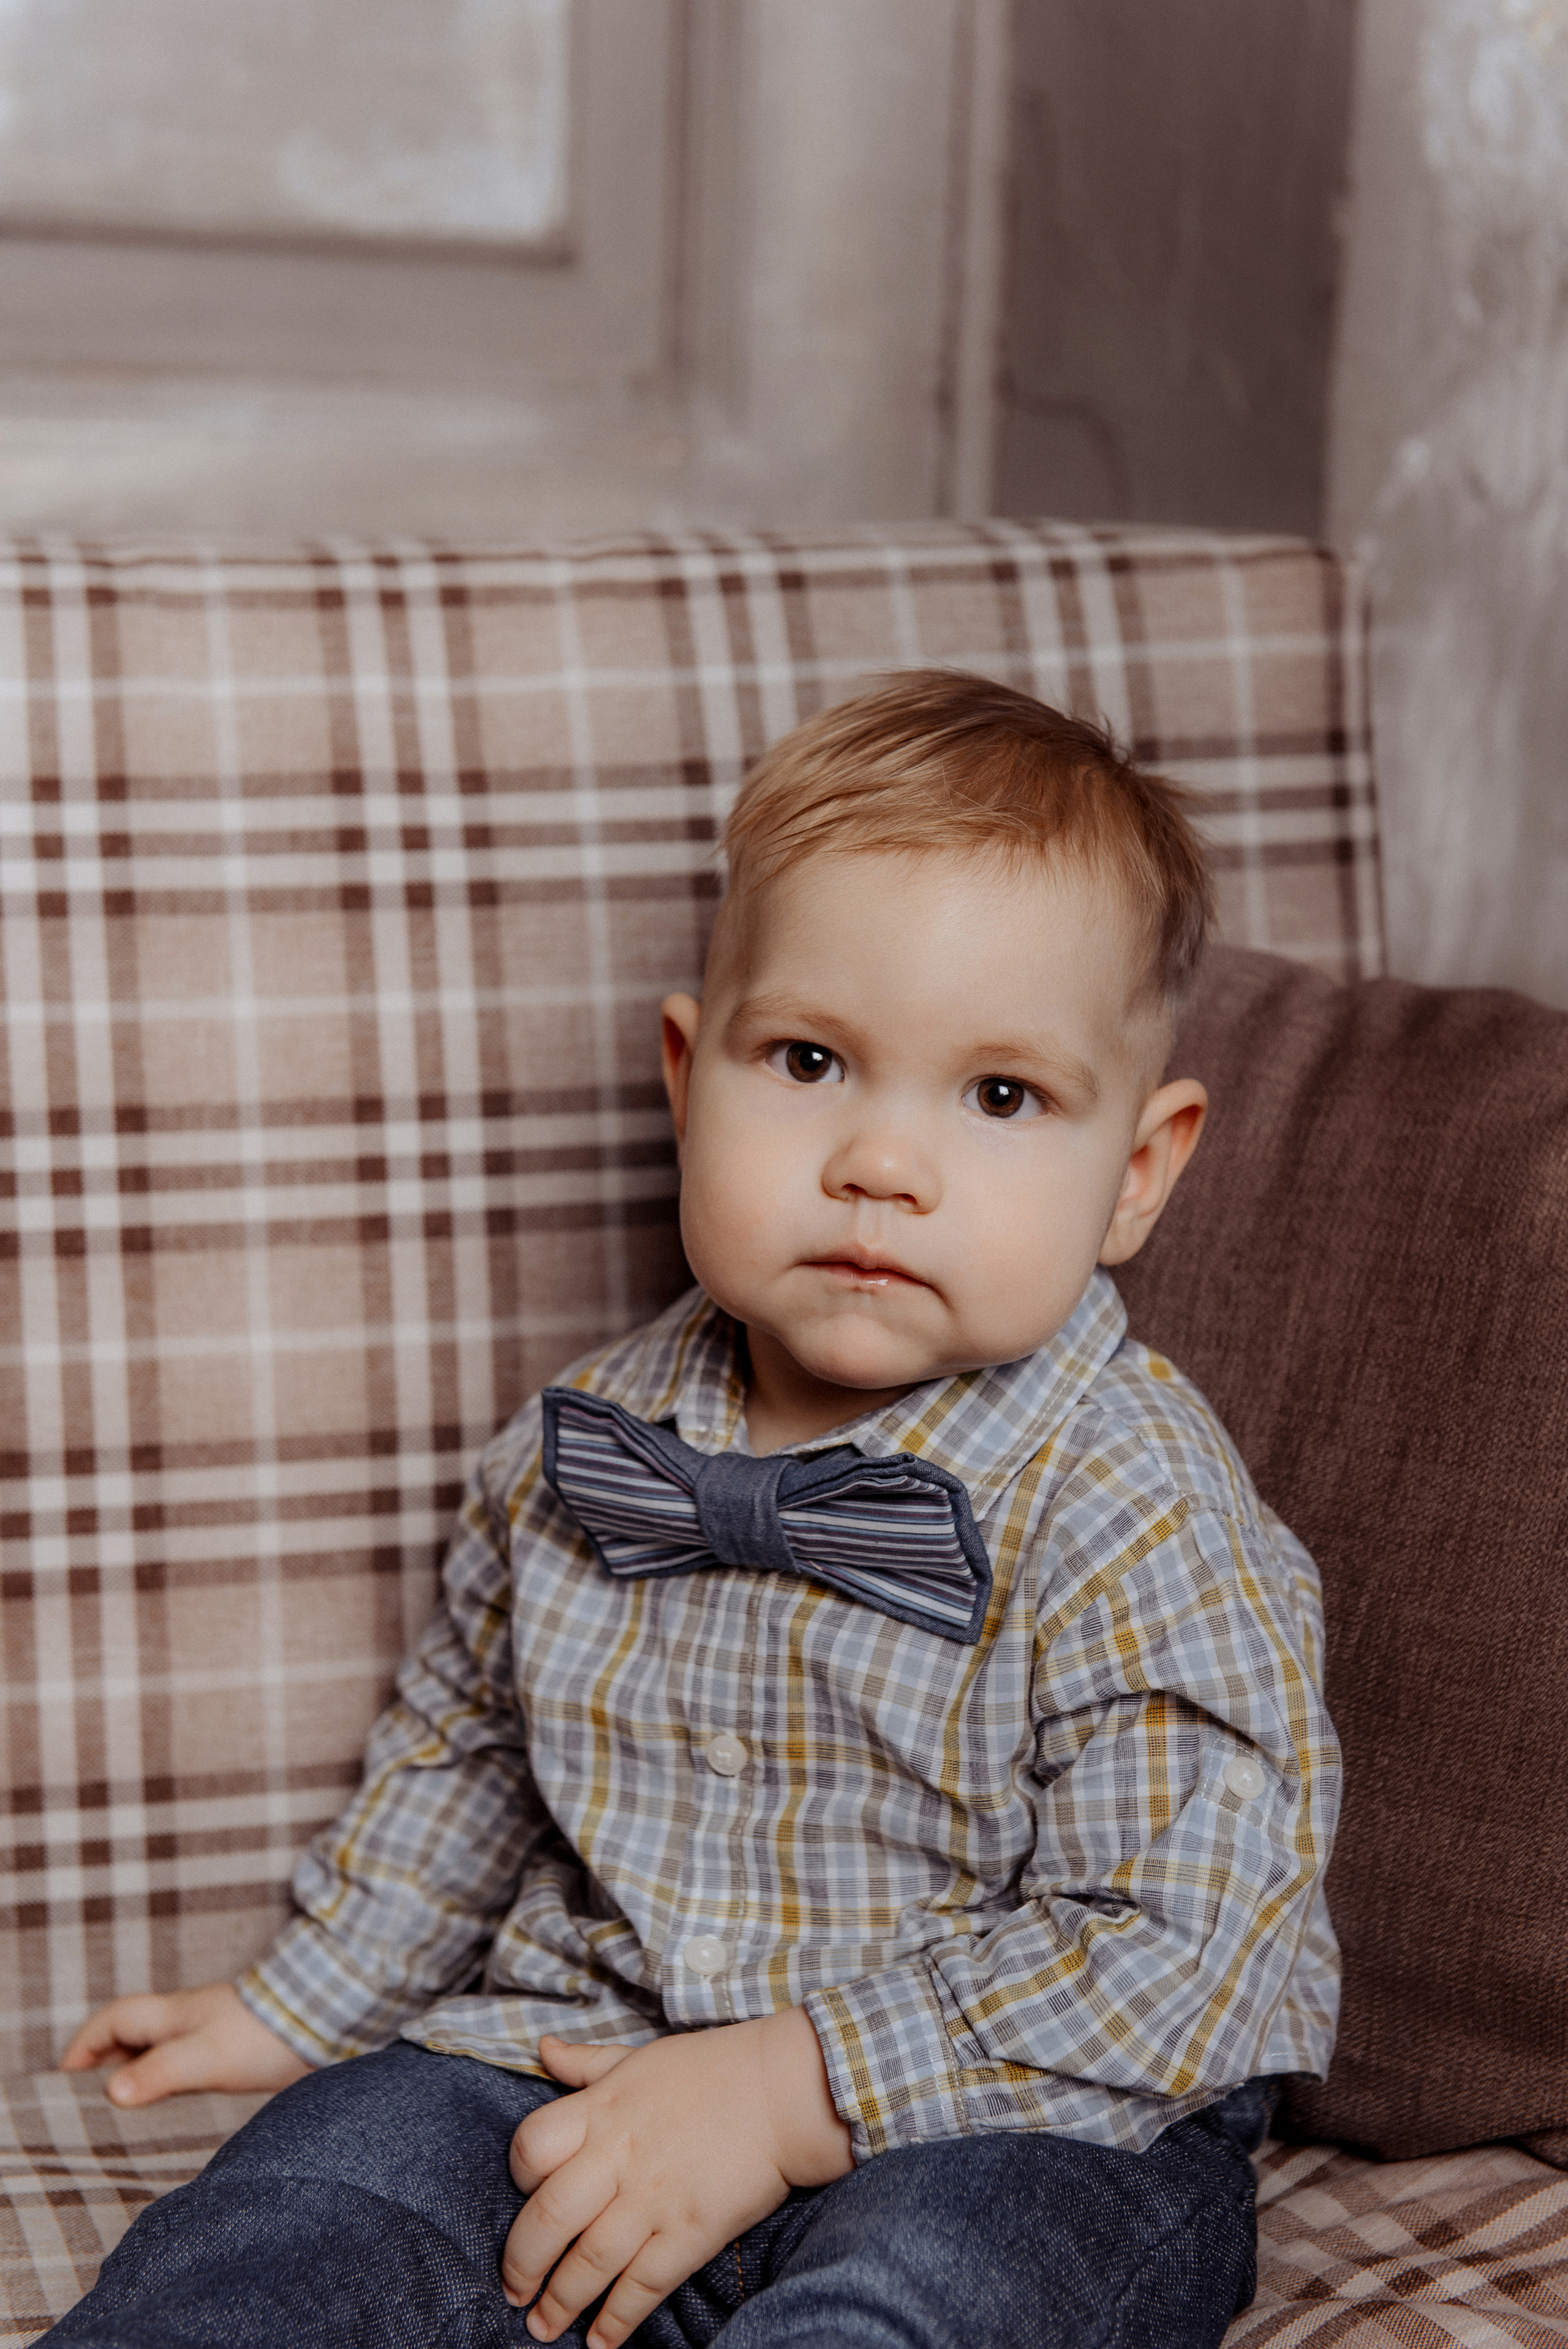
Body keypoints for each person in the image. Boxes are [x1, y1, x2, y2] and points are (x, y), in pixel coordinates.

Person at [46, 673, 1341, 2349]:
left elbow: (1188, 1944)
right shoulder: (585, 1447)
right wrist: (297, 2003)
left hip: (1015, 2115)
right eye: (810, 1059)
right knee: (306, 2208)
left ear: (1139, 1173)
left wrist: (794, 2093)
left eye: (1000, 1096)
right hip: (588, 2065)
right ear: (688, 1073)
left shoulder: (1138, 1502)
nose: (882, 1161)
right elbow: (470, 1759)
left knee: (942, 2293)